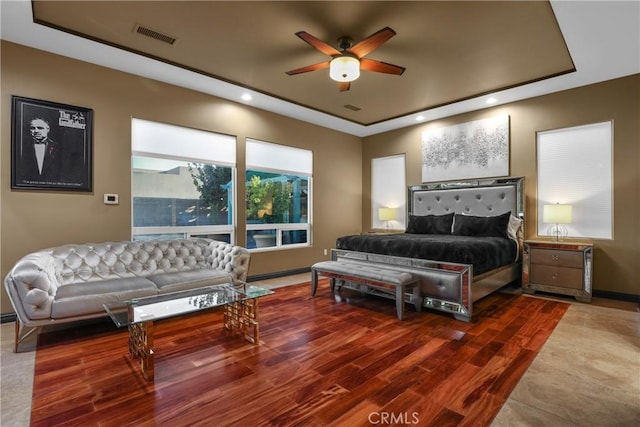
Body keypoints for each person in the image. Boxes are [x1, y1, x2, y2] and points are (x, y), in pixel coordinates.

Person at [16, 117, 62, 185]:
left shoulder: (59, 147)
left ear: (48, 129)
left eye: (40, 128)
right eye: (33, 128)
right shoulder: (22, 146)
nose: (36, 131)